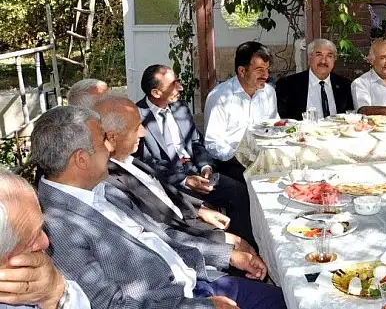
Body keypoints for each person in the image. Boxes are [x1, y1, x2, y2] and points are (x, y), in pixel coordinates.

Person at [32, 106, 286, 309]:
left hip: (197, 281)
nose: (110, 147)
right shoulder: (57, 228)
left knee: (288, 300)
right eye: (103, 141)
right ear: (81, 159)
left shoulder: (103, 190)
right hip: (179, 301)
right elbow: (111, 305)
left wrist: (227, 255)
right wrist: (204, 307)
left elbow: (164, 235)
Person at [100, 94, 259, 253]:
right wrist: (225, 250)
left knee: (241, 193)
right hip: (183, 235)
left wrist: (199, 208)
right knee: (243, 251)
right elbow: (159, 231)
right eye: (136, 128)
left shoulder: (130, 161)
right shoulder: (110, 181)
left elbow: (163, 191)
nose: (143, 132)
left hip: (192, 188)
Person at [135, 65, 256, 242]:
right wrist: (185, 180)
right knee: (207, 218)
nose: (180, 87)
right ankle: (229, 251)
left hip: (197, 172)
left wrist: (205, 167)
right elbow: (147, 164)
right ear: (156, 92)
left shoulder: (179, 108)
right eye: (173, 84)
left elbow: (196, 142)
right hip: (170, 184)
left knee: (241, 193)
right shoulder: (137, 117)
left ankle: (248, 249)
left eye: (178, 81)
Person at [0, 172, 91, 309]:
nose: (45, 242)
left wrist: (56, 293)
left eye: (42, 229)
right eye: (30, 241)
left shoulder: (38, 279)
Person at [204, 42, 279, 182]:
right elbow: (212, 143)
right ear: (242, 71)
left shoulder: (269, 92)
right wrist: (239, 157)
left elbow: (273, 126)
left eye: (267, 69)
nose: (266, 75)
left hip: (264, 159)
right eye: (259, 70)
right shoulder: (220, 96)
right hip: (231, 163)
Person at [275, 38, 353, 120]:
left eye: (329, 56)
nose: (323, 61)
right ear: (309, 58)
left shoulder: (345, 86)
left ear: (334, 60)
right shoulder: (288, 85)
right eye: (319, 55)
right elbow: (282, 120)